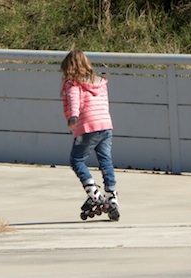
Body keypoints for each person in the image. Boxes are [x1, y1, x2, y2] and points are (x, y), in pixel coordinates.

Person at [60, 50, 119, 221]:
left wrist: (73, 118)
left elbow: (74, 100)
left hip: (88, 127)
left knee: (76, 160)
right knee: (105, 161)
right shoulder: (100, 81)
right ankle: (112, 196)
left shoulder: (73, 84)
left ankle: (94, 194)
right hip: (106, 126)